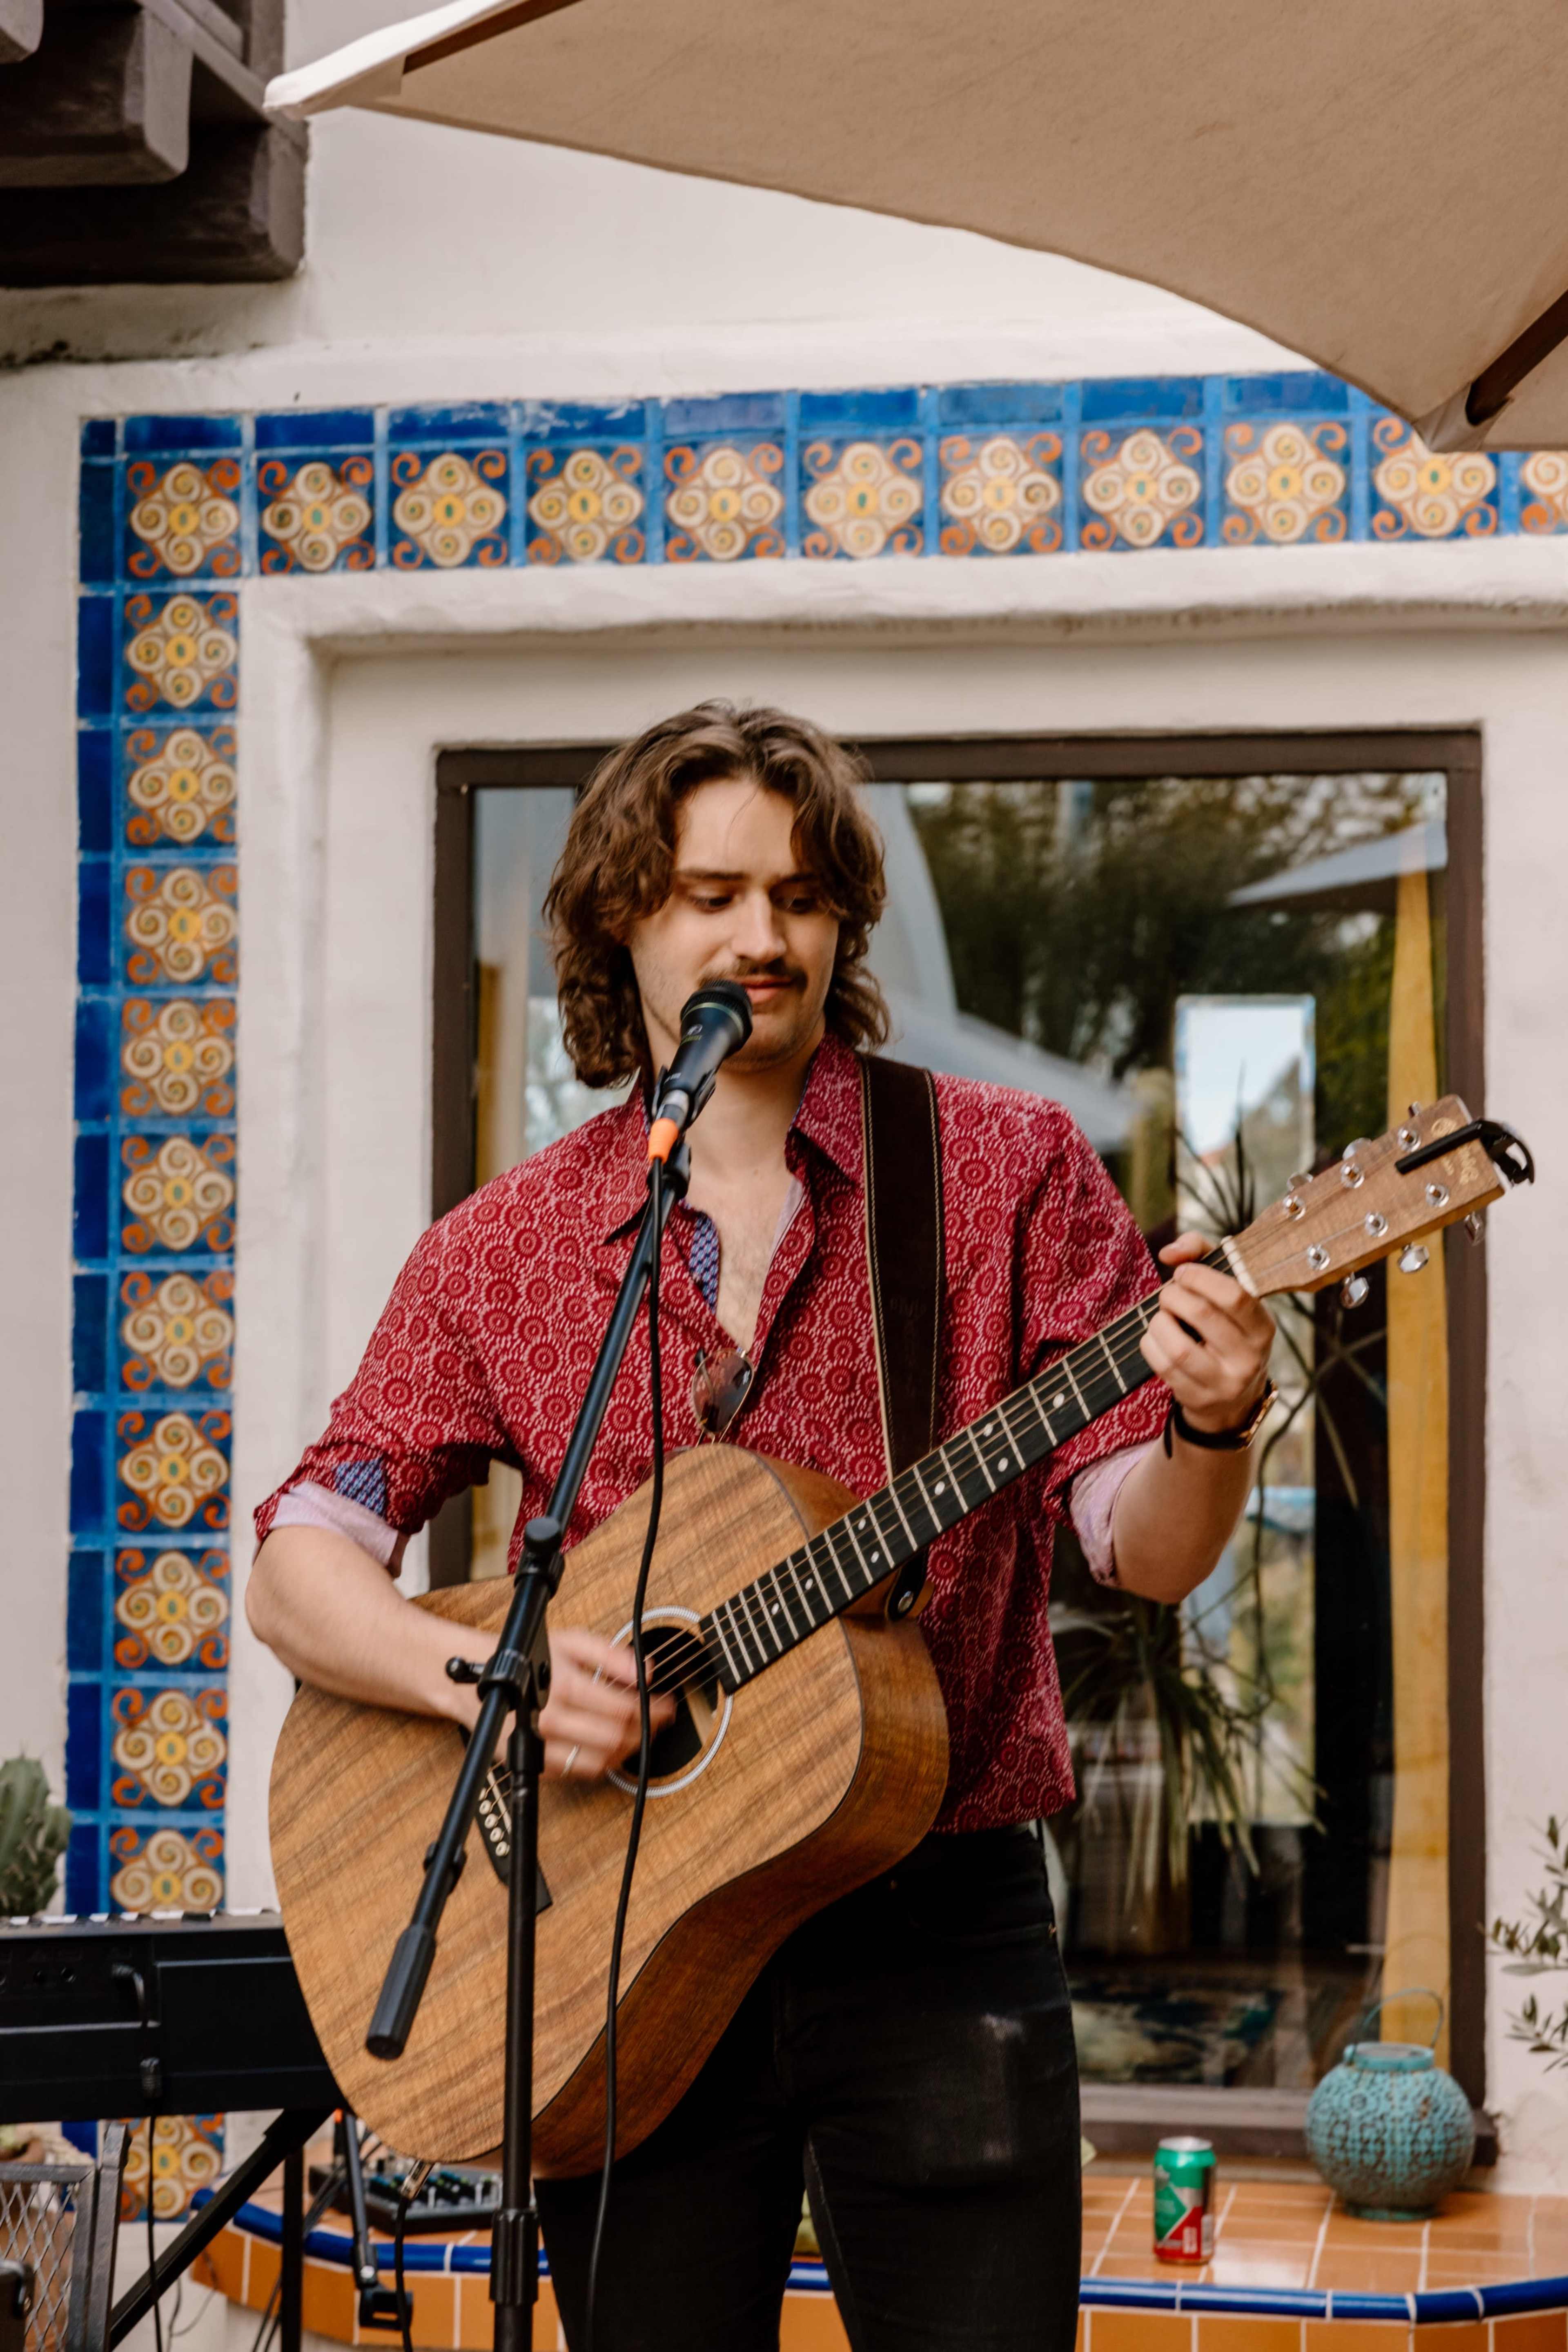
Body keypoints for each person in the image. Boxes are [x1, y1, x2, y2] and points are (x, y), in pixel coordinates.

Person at [247, 702, 1275, 2352]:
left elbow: (1134, 1544)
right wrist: (489, 1689)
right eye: (713, 893)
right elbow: (308, 1549)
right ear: (624, 921)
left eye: (800, 896)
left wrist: (1218, 1416)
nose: (763, 933)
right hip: (616, 1934)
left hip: (932, 1926)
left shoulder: (998, 1172)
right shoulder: (504, 1251)